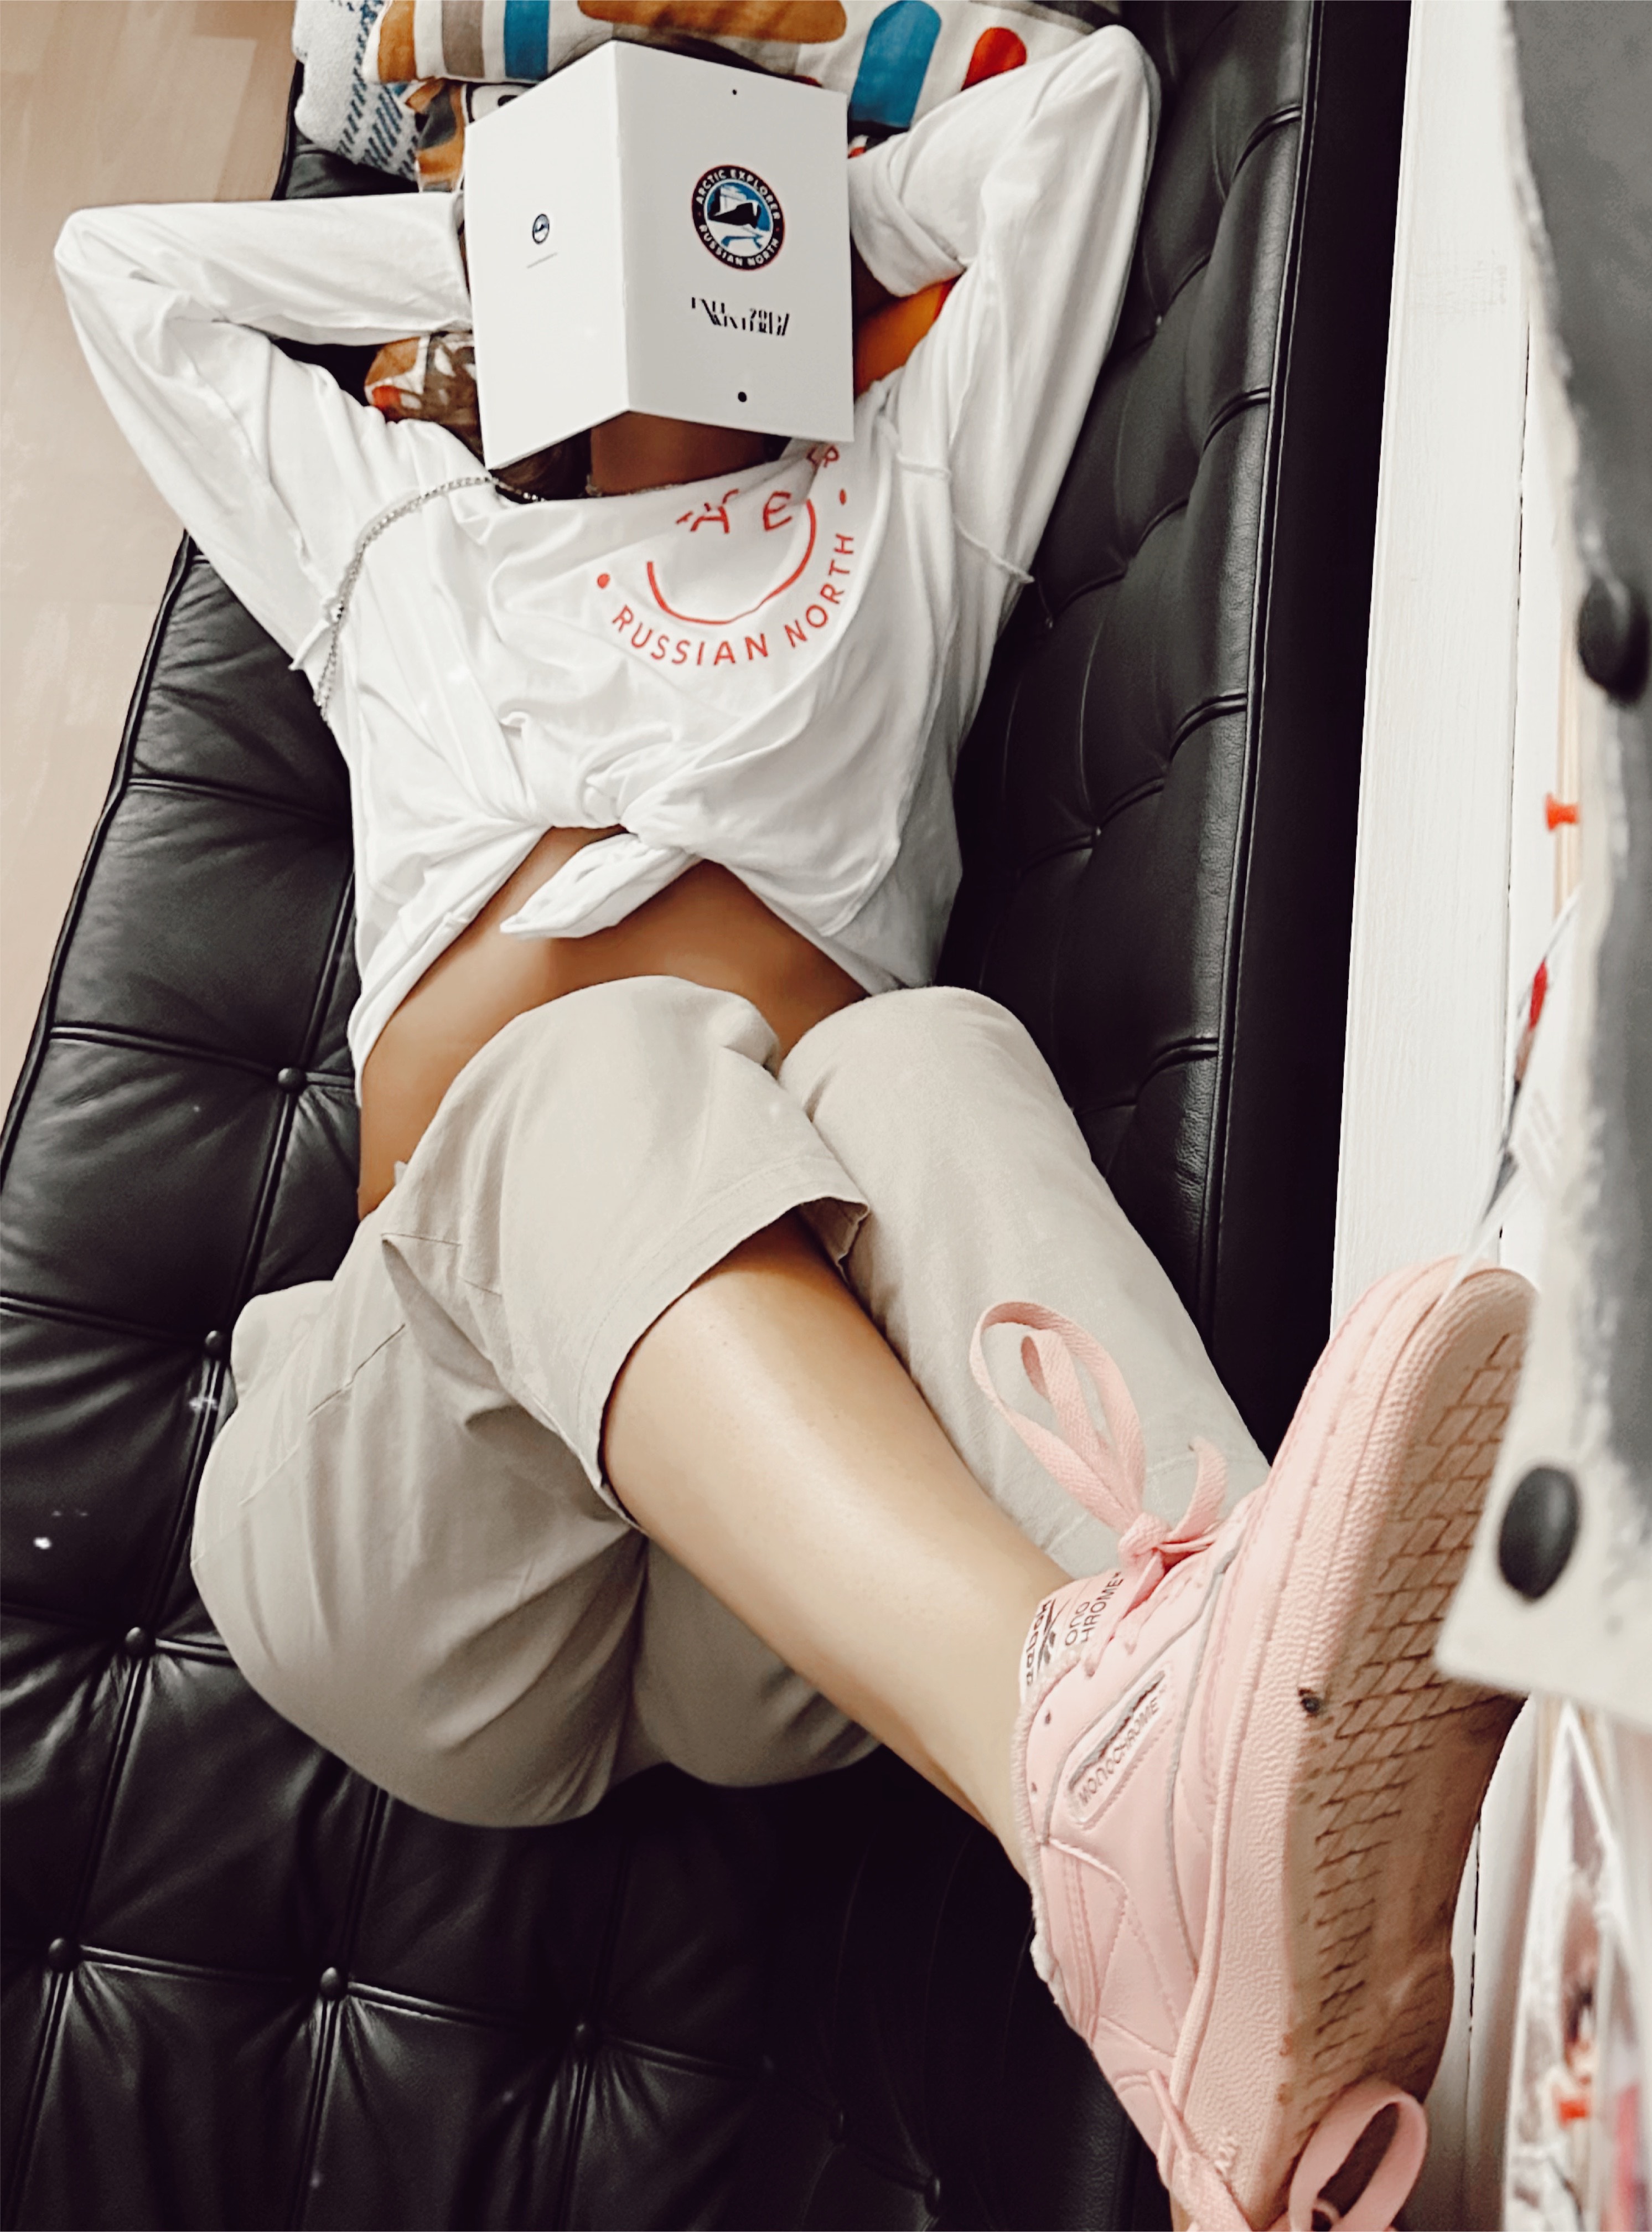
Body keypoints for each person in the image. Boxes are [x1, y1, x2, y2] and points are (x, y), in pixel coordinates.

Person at [56, 30, 1530, 2227]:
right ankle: (1163, 1778)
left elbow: (1078, 118)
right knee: (600, 1065)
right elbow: (122, 273)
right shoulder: (402, 544)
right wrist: (525, 246)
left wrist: (775, 207)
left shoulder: (904, 501)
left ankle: (1345, 1898)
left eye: (695, 181)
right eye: (598, 188)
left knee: (923, 1063)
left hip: (814, 1595)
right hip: (432, 1534)